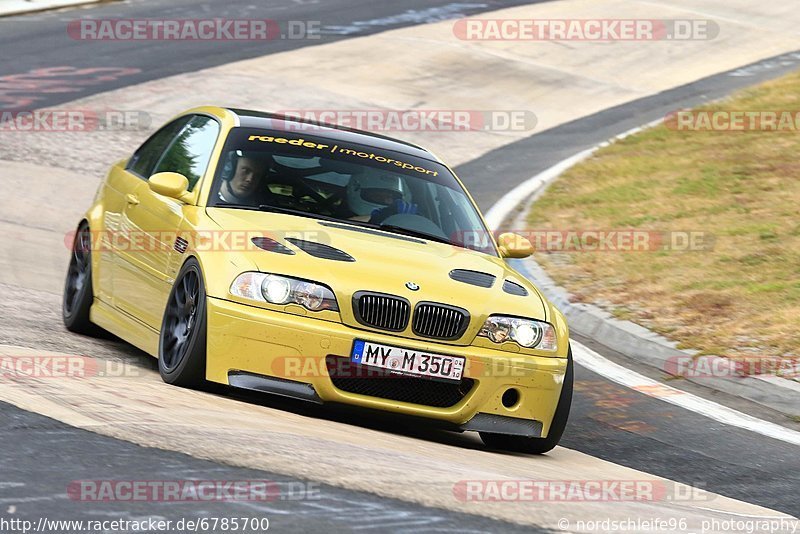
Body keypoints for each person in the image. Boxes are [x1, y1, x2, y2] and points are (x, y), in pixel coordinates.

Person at [346, 172, 417, 223]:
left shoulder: (402, 224)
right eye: (377, 196)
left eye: (390, 197)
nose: (385, 200)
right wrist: (383, 216)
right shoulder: (336, 216)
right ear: (355, 190)